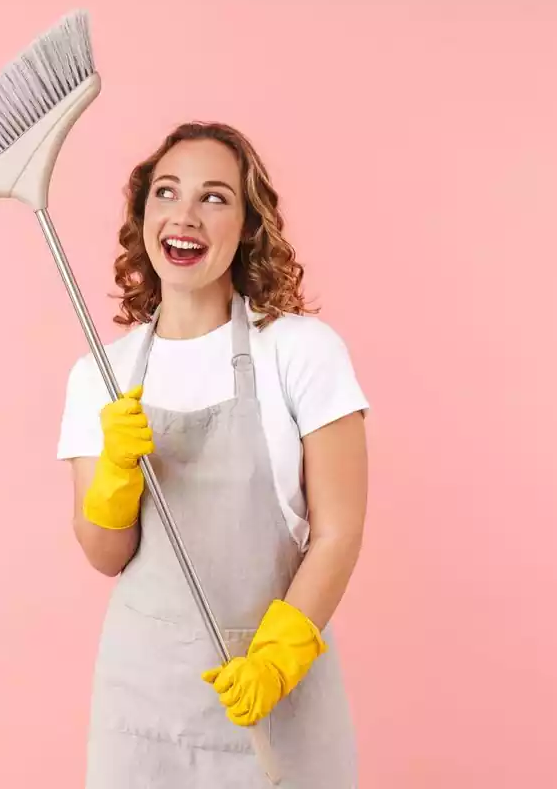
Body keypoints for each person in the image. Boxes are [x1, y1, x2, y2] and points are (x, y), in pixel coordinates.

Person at [56, 121, 369, 788]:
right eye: (166, 192)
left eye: (215, 197)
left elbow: (339, 530)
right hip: (144, 710)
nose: (186, 215)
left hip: (277, 701)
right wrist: (113, 476)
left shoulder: (301, 351)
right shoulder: (101, 376)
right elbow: (105, 552)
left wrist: (279, 659)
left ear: (249, 224)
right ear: (143, 216)